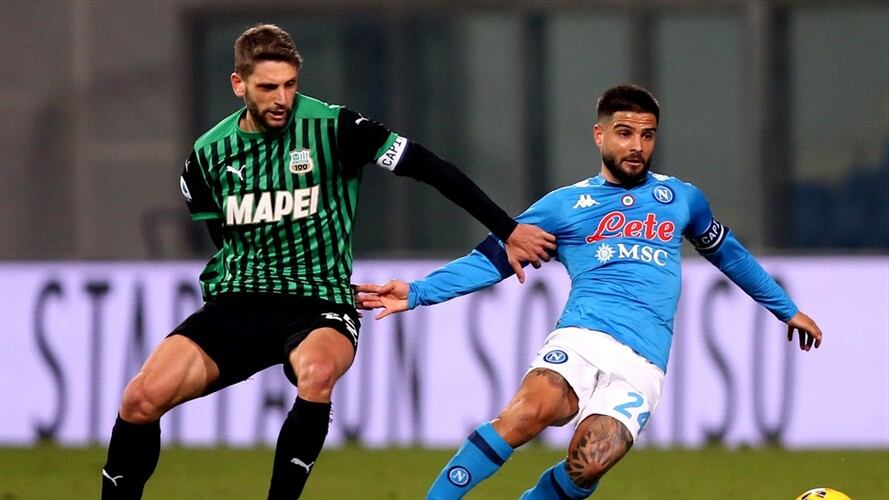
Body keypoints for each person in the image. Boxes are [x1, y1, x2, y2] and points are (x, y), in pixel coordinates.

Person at [100, 23, 555, 500]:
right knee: (140, 399)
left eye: (290, 85)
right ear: (239, 85)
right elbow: (223, 236)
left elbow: (430, 168)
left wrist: (508, 230)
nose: (282, 98)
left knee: (316, 375)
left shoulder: (336, 128)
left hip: (318, 301)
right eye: (268, 87)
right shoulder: (206, 156)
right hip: (238, 305)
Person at [356, 84, 823, 499]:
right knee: (527, 414)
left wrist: (787, 310)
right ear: (599, 135)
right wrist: (418, 292)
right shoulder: (565, 206)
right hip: (582, 336)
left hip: (644, 359)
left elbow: (730, 254)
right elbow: (495, 258)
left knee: (590, 463)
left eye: (647, 135)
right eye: (624, 132)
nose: (637, 146)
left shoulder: (683, 199)